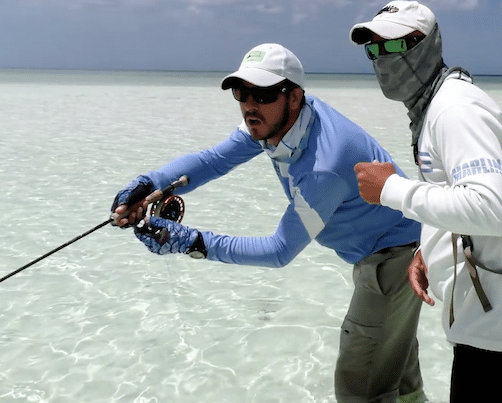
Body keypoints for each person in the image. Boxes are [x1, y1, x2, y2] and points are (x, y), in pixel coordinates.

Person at [110, 43, 428, 403]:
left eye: (261, 94)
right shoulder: (278, 121)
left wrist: (192, 242)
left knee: (359, 389)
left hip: (393, 261)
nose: (249, 105)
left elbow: (279, 251)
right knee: (399, 382)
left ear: (293, 97)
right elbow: (214, 161)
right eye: (241, 93)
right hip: (392, 250)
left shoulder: (324, 165)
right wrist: (149, 186)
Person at [349, 1, 502, 403]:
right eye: (373, 49)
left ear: (427, 44)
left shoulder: (454, 110)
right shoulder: (434, 106)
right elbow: (459, 195)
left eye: (394, 46)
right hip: (495, 318)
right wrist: (427, 253)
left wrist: (391, 190)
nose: (381, 59)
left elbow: (490, 209)